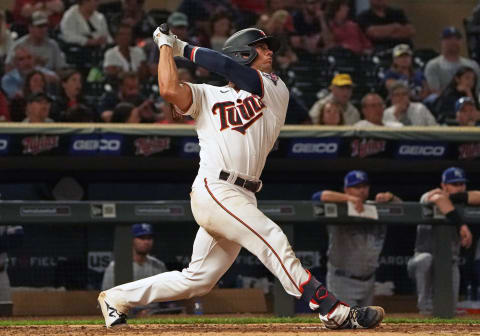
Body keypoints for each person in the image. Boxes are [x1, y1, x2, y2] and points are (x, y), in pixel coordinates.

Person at [97, 26, 385, 330]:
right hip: (215, 187)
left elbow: (227, 67)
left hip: (243, 192)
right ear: (245, 52)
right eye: (261, 47)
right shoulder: (207, 94)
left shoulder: (275, 87)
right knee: (271, 237)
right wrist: (165, 46)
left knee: (198, 280)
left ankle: (116, 298)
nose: (270, 51)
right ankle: (331, 309)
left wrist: (183, 47)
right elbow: (169, 89)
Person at [312, 170, 400, 306]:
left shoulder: (376, 207)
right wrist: (349, 199)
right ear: (347, 189)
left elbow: (402, 209)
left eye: (364, 186)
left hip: (369, 280)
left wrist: (390, 197)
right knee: (345, 323)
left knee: (365, 324)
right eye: (356, 187)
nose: (362, 191)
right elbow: (318, 196)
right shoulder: (339, 208)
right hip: (342, 280)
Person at [407, 167, 474, 315]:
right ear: (444, 185)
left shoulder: (461, 202)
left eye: (462, 184)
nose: (459, 187)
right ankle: (425, 307)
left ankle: (449, 310)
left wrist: (460, 197)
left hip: (450, 263)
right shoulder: (430, 195)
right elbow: (439, 199)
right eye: (454, 184)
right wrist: (462, 225)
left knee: (450, 311)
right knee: (426, 259)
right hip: (422, 261)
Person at [102, 223, 168, 291]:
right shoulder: (115, 267)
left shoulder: (159, 266)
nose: (146, 242)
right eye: (141, 238)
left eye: (149, 238)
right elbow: (105, 296)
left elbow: (167, 293)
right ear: (132, 240)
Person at [425, 27, 480, 95]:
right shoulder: (433, 65)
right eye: (449, 39)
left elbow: (477, 91)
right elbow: (435, 92)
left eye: (457, 39)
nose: (453, 42)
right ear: (442, 41)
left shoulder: (472, 65)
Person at [0, 225, 24, 303]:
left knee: (5, 307)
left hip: (1, 273)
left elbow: (19, 233)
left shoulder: (6, 214)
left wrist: (3, 239)